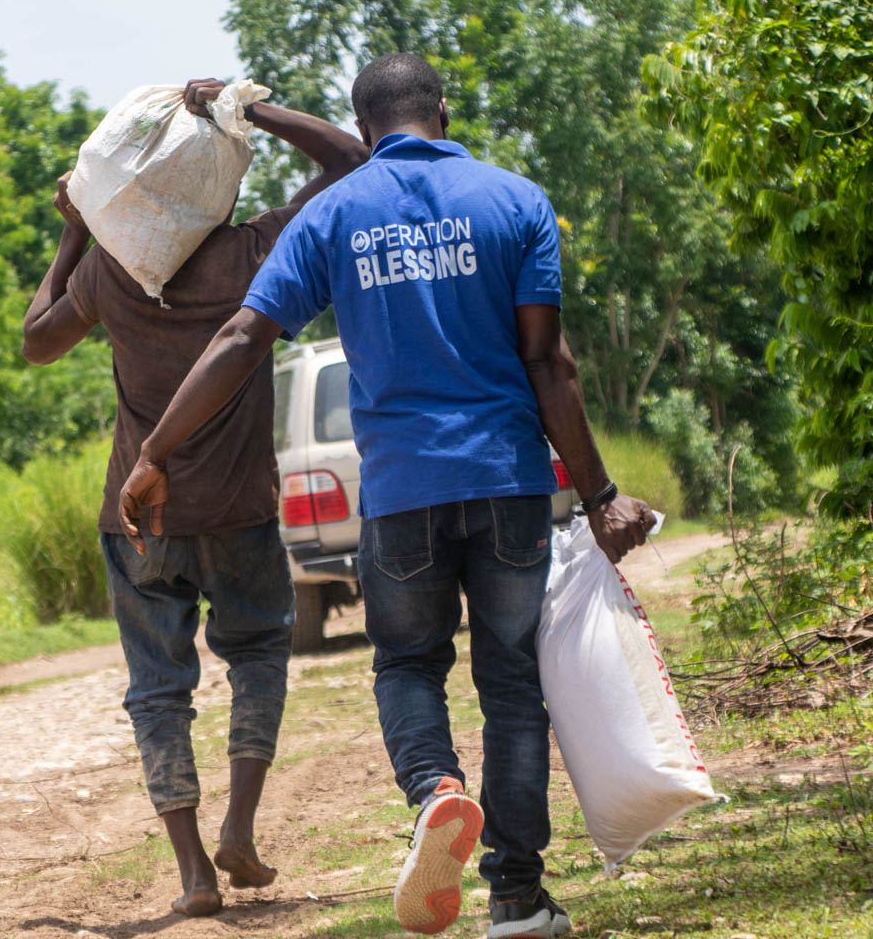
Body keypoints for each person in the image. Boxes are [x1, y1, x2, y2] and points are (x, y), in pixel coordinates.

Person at [116, 55, 653, 938]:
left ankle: (437, 790)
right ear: (442, 112)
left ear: (365, 132)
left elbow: (245, 334)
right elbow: (549, 364)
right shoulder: (516, 201)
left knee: (407, 665)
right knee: (514, 686)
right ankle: (516, 899)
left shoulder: (334, 213)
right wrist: (600, 493)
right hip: (510, 482)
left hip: (402, 492)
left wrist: (155, 451)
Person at [22, 78, 368, 918]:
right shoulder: (250, 253)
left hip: (138, 518)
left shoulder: (109, 271)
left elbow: (36, 341)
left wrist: (75, 235)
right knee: (257, 656)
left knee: (156, 689)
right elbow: (355, 161)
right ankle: (239, 828)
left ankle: (193, 877)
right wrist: (250, 110)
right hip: (241, 509)